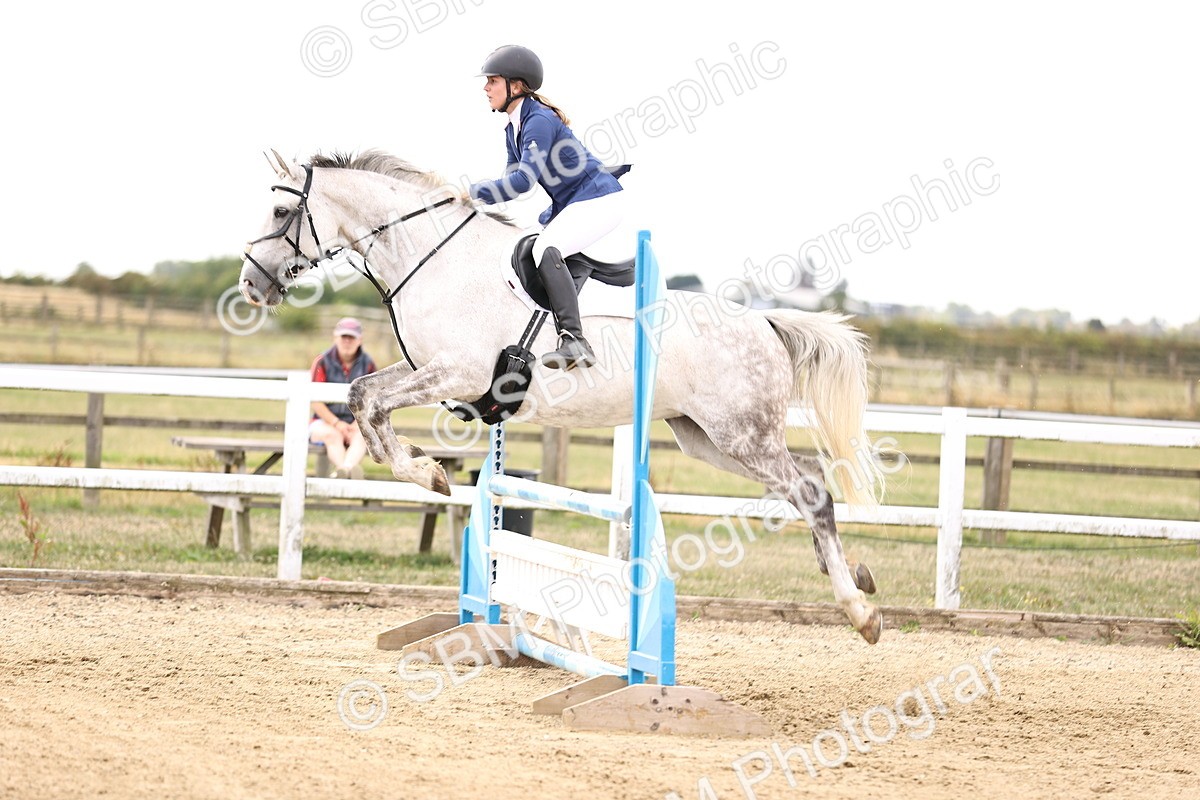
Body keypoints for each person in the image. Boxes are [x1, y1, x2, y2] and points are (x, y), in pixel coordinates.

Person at [468, 44, 628, 371]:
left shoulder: (538, 120)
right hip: (573, 203)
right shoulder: (513, 127)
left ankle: (575, 342)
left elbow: (524, 182)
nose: (485, 88)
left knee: (546, 248)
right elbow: (510, 180)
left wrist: (471, 192)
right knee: (522, 246)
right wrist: (475, 198)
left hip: (598, 198)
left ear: (516, 85)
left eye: (493, 81)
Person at [309, 317, 377, 479]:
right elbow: (315, 401)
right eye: (343, 337)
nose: (347, 341)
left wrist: (356, 423)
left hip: (355, 423)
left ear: (359, 340)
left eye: (351, 337)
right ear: (335, 338)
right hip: (324, 422)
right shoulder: (322, 362)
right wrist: (337, 423)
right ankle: (348, 471)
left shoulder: (368, 364)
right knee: (332, 435)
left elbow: (371, 399)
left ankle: (342, 472)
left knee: (363, 436)